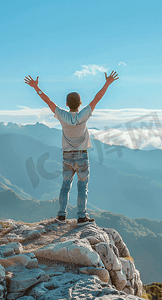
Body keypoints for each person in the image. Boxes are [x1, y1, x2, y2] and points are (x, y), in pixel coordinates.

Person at [24, 71, 119, 224]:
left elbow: (48, 101)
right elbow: (97, 98)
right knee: (82, 188)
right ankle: (81, 216)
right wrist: (107, 83)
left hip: (67, 156)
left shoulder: (62, 115)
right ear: (80, 104)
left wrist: (36, 87)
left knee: (65, 187)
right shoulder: (84, 115)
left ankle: (61, 215)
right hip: (82, 156)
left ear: (67, 104)